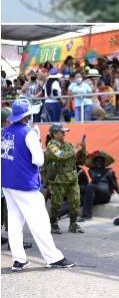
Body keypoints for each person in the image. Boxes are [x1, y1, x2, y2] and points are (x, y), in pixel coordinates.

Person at [1, 99, 75, 270]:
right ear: (27, 115)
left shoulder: (4, 132)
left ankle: (19, 259)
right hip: (25, 183)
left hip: (7, 182)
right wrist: (38, 141)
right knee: (39, 221)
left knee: (14, 221)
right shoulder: (29, 133)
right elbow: (38, 160)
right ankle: (53, 258)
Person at [43, 123, 86, 234]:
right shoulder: (51, 146)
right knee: (56, 204)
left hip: (72, 178)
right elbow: (60, 156)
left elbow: (79, 160)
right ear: (54, 134)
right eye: (62, 132)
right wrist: (74, 151)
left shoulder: (68, 145)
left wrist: (82, 149)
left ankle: (73, 224)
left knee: (75, 201)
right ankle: (53, 224)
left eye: (64, 132)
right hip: (58, 179)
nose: (64, 134)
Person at [79, 150, 119, 220]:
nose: (99, 163)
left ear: (104, 163)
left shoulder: (109, 172)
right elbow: (94, 181)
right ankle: (59, 214)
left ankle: (86, 215)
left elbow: (115, 186)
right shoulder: (91, 171)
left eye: (101, 161)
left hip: (105, 195)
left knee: (90, 186)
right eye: (97, 161)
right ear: (94, 163)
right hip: (96, 195)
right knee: (78, 197)